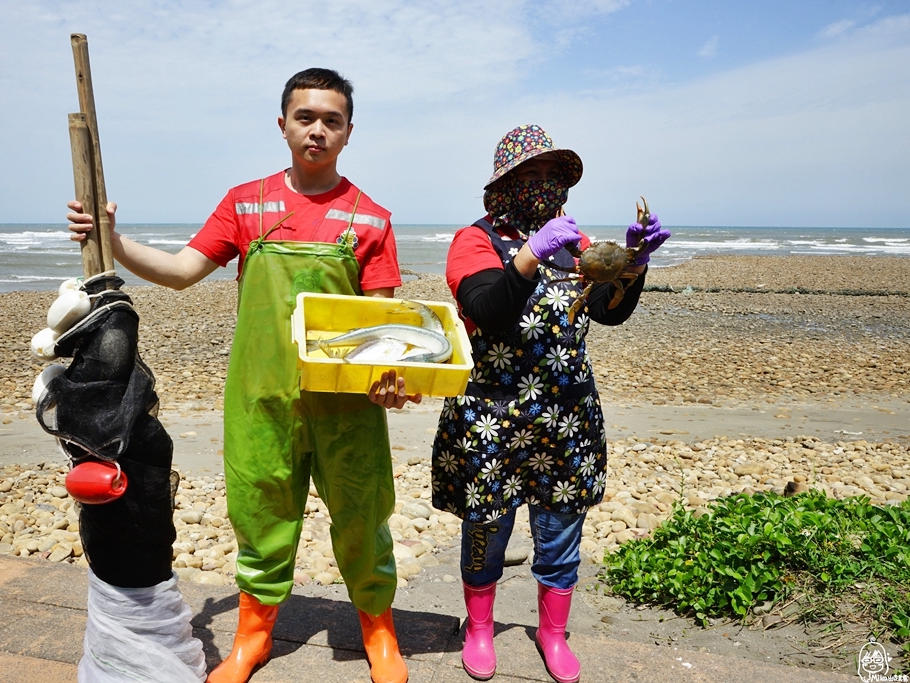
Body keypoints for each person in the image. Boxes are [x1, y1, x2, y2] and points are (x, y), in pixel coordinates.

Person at [68, 68, 418, 683]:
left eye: (331, 120)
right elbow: (179, 272)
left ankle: (379, 630)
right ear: (282, 125)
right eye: (305, 117)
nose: (317, 130)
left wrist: (391, 381)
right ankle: (253, 636)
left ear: (349, 132)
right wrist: (113, 241)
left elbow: (382, 327)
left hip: (346, 408)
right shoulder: (246, 202)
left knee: (363, 514)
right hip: (262, 398)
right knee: (259, 514)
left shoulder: (371, 218)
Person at [430, 124, 670, 683]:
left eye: (551, 178)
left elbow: (608, 311)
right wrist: (530, 255)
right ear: (504, 184)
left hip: (567, 415)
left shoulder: (578, 246)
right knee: (487, 525)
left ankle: (553, 634)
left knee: (561, 526)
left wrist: (633, 265)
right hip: (490, 415)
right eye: (530, 176)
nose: (543, 187)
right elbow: (487, 309)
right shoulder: (475, 240)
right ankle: (481, 627)